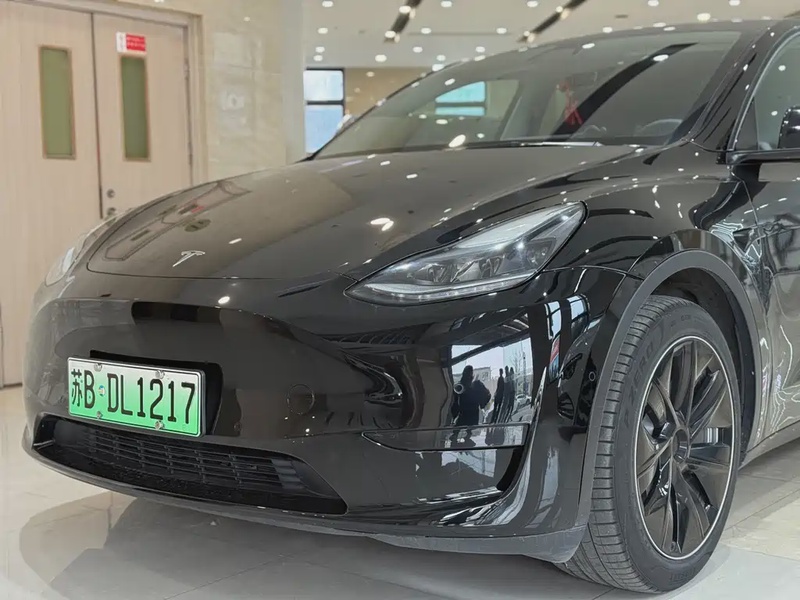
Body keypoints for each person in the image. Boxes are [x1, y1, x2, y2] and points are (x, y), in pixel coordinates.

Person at [450, 365, 490, 443]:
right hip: (465, 411)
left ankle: (464, 435)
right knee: (461, 424)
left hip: (470, 411)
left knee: (465, 425)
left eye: (470, 373)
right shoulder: (462, 385)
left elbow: (486, 395)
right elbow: (455, 399)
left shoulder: (476, 384)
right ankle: (459, 435)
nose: (470, 375)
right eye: (469, 373)